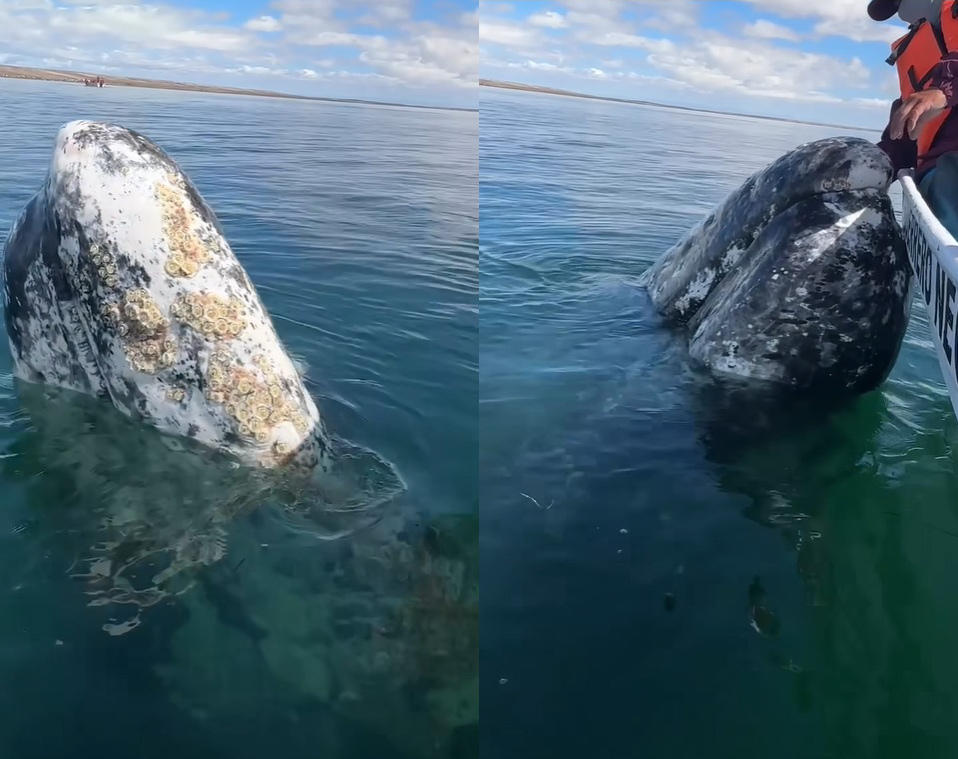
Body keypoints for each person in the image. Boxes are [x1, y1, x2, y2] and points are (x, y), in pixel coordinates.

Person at [871, 0, 958, 236]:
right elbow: (901, 138)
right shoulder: (922, 48)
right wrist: (872, 166)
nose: (903, 12)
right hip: (934, 182)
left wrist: (944, 91)